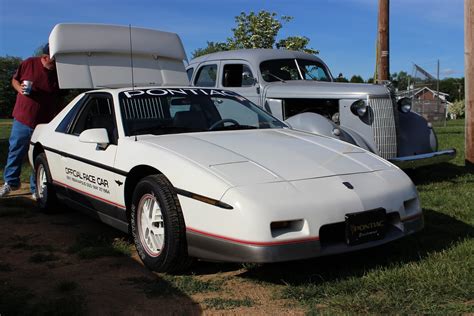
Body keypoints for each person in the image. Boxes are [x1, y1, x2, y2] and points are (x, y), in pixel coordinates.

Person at [0, 43, 63, 199]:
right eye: (53, 60)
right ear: (44, 57)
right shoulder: (29, 63)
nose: (55, 64)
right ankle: (10, 182)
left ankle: (36, 189)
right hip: (23, 118)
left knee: (37, 156)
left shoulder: (60, 73)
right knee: (16, 150)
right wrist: (20, 89)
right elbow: (14, 80)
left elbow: (60, 98)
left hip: (44, 124)